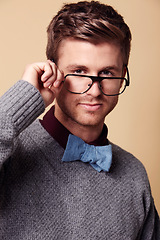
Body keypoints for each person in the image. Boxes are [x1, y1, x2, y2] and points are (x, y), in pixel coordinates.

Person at [0, 1, 159, 239]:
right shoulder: (12, 151)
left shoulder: (134, 176)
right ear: (51, 71)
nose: (94, 91)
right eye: (79, 72)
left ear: (122, 76)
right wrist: (23, 98)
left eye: (106, 73)